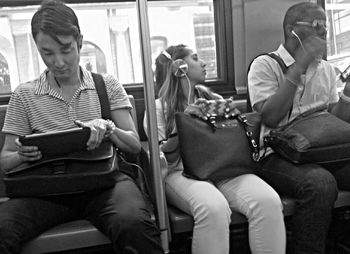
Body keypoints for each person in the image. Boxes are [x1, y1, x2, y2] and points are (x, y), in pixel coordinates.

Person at [0, 0, 164, 253]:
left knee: (133, 223)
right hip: (45, 190)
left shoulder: (106, 85)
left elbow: (133, 144)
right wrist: (21, 155)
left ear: (79, 42)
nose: (58, 62)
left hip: (104, 184)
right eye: (47, 53)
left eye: (65, 50)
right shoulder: (24, 95)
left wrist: (108, 128)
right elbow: (5, 159)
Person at [144, 44, 286, 254]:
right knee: (213, 208)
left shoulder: (214, 100)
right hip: (181, 172)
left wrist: (230, 116)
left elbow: (231, 141)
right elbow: (167, 157)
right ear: (179, 66)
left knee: (268, 202)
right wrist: (184, 122)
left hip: (222, 165)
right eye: (195, 58)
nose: (203, 63)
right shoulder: (157, 108)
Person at [247, 2, 350, 253]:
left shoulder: (326, 69)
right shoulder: (264, 65)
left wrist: (347, 94)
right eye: (317, 25)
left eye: (326, 25)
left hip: (320, 150)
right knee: (319, 184)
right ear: (292, 29)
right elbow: (270, 117)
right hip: (277, 155)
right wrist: (298, 67)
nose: (325, 30)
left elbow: (333, 121)